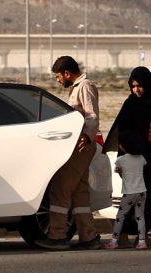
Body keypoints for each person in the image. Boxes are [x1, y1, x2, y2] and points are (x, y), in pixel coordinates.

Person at [103, 66, 151, 248]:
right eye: (133, 86)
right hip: (134, 162)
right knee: (130, 198)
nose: (136, 89)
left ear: (148, 84)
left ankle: (142, 236)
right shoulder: (130, 104)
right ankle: (122, 235)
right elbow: (121, 133)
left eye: (140, 85)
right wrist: (121, 162)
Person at [36, 55, 102, 251]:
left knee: (61, 189)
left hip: (81, 146)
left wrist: (87, 136)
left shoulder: (85, 86)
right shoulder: (77, 88)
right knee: (80, 194)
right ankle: (88, 237)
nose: (58, 80)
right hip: (81, 145)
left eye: (58, 76)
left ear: (67, 73)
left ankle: (57, 235)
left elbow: (92, 115)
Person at [103, 129, 147, 250]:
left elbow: (120, 173)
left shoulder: (121, 160)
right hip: (142, 192)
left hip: (129, 193)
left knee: (120, 216)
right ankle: (142, 241)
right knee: (140, 217)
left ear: (123, 146)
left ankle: (114, 241)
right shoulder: (141, 158)